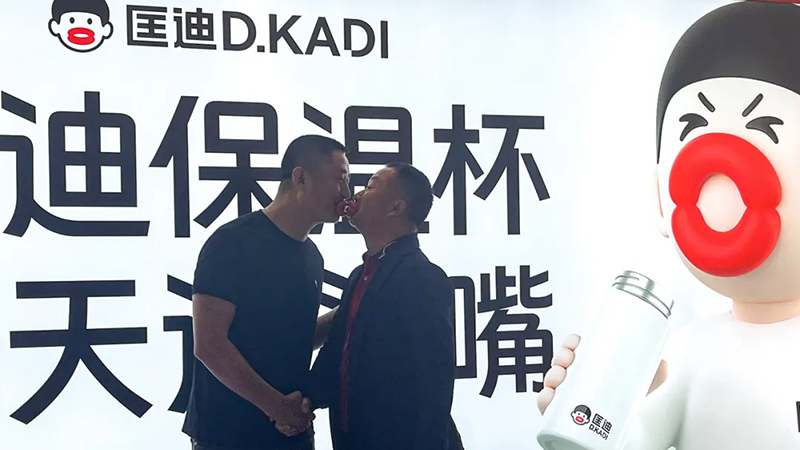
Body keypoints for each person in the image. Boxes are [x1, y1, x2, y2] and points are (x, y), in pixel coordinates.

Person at [538, 2, 800, 449]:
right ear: (660, 196)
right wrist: (589, 420)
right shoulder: (682, 354)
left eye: (767, 127)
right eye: (693, 126)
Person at [183, 134, 351, 450]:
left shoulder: (312, 256)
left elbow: (295, 339)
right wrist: (275, 406)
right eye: (339, 179)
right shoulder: (233, 242)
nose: (346, 193)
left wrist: (352, 309)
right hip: (228, 437)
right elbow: (209, 343)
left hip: (292, 434)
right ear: (301, 178)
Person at [303, 162, 463, 450]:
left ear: (396, 207)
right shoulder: (359, 275)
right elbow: (338, 350)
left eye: (371, 186)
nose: (357, 194)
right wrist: (306, 399)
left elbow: (433, 381)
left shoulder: (421, 276)